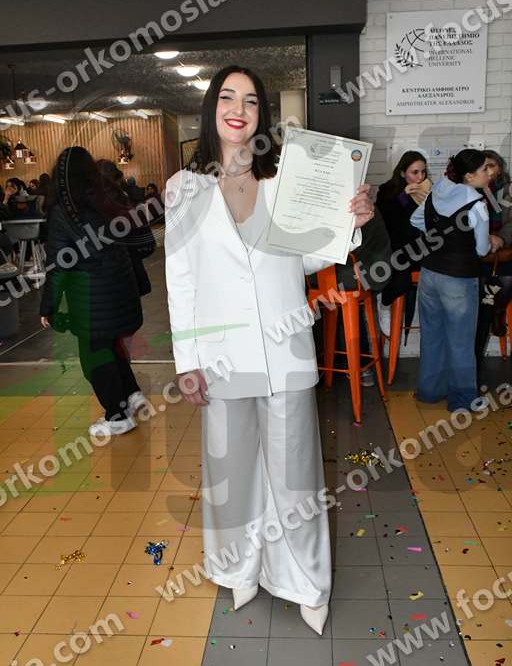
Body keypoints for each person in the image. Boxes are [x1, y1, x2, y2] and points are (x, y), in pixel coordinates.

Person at [165, 65, 374, 635]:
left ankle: (306, 581)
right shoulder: (184, 188)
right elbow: (180, 279)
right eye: (228, 97)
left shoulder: (284, 180)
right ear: (211, 108)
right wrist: (186, 361)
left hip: (285, 351)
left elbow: (308, 256)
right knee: (231, 474)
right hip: (221, 356)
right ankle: (239, 568)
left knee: (295, 475)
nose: (239, 109)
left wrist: (351, 222)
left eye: (251, 101)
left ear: (262, 115)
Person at [40, 147, 146, 437]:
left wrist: (47, 307)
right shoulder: (105, 199)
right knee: (110, 346)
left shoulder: (63, 212)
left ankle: (117, 417)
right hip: (122, 290)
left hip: (92, 299)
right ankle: (132, 395)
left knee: (95, 357)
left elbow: (58, 267)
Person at [411, 149, 490, 412]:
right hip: (459, 278)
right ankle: (462, 400)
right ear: (469, 176)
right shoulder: (477, 205)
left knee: (432, 335)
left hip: (429, 273)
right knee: (461, 341)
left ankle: (430, 392)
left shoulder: (437, 191)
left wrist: (439, 236)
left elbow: (416, 219)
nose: (488, 174)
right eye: (484, 169)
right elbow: (481, 250)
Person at [376, 151, 431, 334]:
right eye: (415, 172)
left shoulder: (428, 190)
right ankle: (384, 305)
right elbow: (385, 218)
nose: (420, 177)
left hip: (421, 247)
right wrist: (404, 195)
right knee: (400, 281)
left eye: (423, 172)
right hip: (395, 248)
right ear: (402, 173)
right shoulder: (387, 190)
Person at [97, 159, 156, 299]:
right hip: (130, 275)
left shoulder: (92, 205)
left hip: (105, 281)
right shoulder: (129, 200)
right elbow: (147, 244)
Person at [475, 150, 512, 363]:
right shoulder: (471, 189)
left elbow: (511, 223)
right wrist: (485, 238)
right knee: (481, 295)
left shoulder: (507, 190)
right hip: (478, 253)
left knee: (507, 278)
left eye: (492, 166)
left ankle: (498, 311)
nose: (489, 171)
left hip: (503, 252)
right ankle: (490, 315)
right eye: (484, 167)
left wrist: (500, 239)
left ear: (499, 168)